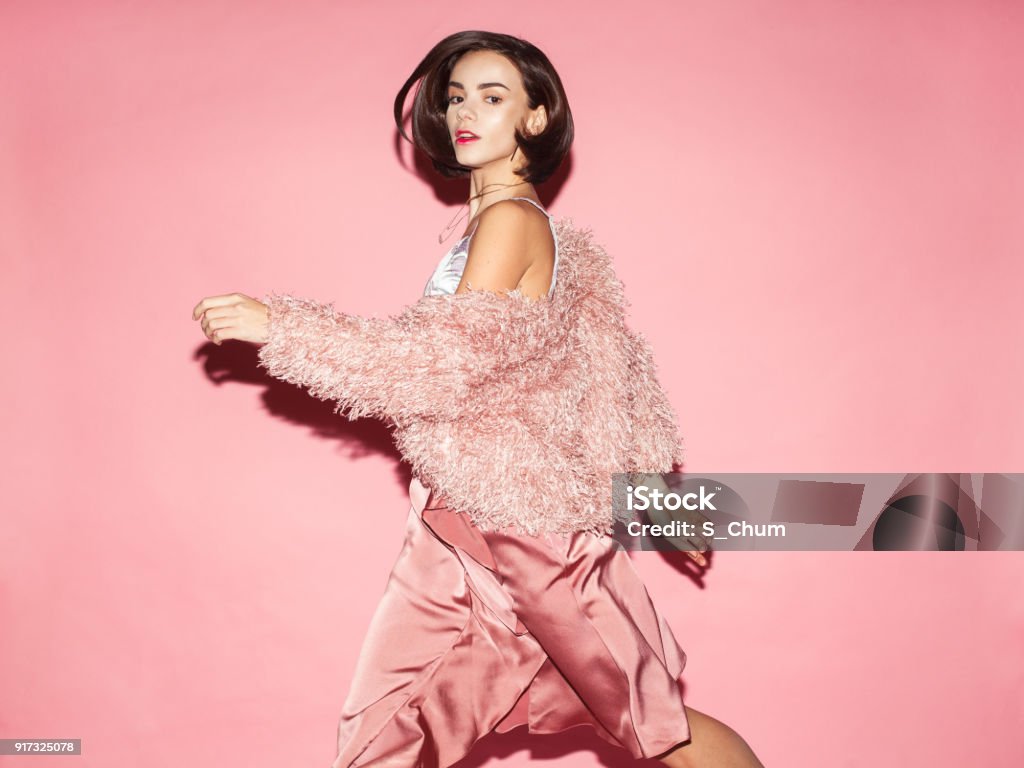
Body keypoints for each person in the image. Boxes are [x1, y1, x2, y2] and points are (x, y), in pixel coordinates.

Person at [193, 30, 764, 768]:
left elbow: (438, 365)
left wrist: (281, 325)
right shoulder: (514, 232)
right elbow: (606, 374)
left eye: (493, 96)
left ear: (535, 116)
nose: (466, 111)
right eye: (457, 95)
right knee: (386, 733)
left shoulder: (511, 223)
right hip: (459, 525)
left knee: (659, 730)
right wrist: (653, 495)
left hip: (526, 536)